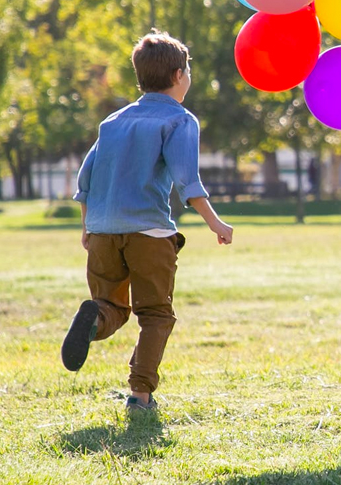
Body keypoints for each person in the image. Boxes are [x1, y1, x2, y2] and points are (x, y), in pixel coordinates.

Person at [61, 31, 234, 412]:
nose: (189, 77)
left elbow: (85, 179)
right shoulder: (179, 120)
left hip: (104, 231)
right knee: (155, 314)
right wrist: (216, 224)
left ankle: (95, 318)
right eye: (188, 70)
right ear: (177, 76)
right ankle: (139, 395)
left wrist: (87, 226)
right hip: (149, 232)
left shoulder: (114, 121)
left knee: (112, 307)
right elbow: (188, 182)